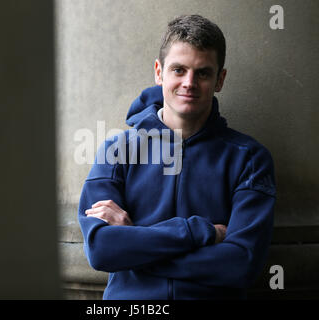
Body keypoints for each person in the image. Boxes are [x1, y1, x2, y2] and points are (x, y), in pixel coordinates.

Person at [78, 14, 276, 300]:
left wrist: (134, 245)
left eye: (203, 73)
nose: (189, 83)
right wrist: (199, 233)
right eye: (179, 70)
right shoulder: (116, 151)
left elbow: (240, 265)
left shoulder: (250, 159)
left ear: (220, 79)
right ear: (159, 73)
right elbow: (101, 250)